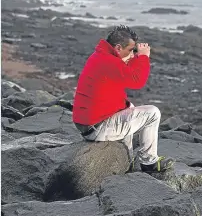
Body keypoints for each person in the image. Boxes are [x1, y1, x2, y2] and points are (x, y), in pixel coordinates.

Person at [72, 25, 174, 172]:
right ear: (118, 48)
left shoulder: (102, 56)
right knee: (152, 113)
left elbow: (125, 69)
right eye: (131, 50)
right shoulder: (108, 62)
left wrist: (137, 57)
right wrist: (144, 57)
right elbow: (137, 80)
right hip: (96, 128)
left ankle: (127, 160)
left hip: (89, 124)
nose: (132, 54)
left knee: (129, 108)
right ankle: (149, 162)